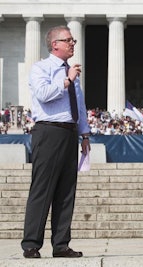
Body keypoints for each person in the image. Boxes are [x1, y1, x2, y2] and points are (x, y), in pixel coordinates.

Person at [21, 25, 91, 258]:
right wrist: (66, 81)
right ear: (55, 44)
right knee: (42, 188)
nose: (73, 44)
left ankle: (61, 244)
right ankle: (31, 243)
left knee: (66, 190)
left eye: (74, 40)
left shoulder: (71, 71)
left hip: (70, 132)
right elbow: (43, 95)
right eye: (69, 40)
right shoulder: (41, 68)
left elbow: (78, 106)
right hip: (48, 131)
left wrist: (85, 134)